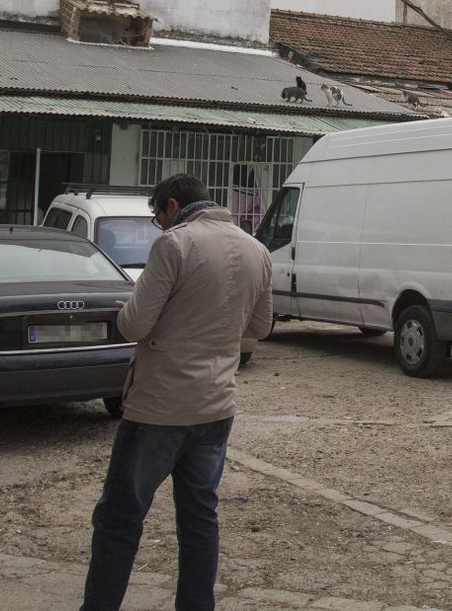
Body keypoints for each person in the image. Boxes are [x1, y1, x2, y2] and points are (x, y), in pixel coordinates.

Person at [80, 173, 273, 611]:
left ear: (171, 206)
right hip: (216, 405)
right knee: (200, 516)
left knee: (119, 517)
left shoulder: (174, 244)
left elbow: (134, 325)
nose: (160, 224)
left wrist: (130, 312)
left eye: (157, 215)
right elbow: (260, 327)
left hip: (159, 407)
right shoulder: (256, 249)